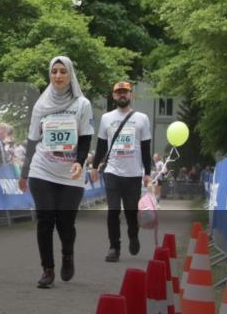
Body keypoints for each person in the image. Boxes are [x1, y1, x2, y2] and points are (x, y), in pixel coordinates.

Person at [19, 56, 94, 288]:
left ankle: (67, 255)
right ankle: (47, 269)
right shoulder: (41, 106)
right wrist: (24, 173)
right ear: (49, 75)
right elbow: (32, 141)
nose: (58, 76)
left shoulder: (82, 104)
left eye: (63, 71)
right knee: (45, 219)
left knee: (65, 223)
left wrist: (80, 163)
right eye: (54, 72)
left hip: (70, 173)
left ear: (70, 75)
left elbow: (85, 138)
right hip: (42, 169)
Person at [91, 80, 152, 262]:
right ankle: (114, 247)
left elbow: (146, 147)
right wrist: (95, 167)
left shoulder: (142, 118)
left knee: (131, 213)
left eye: (125, 92)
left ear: (131, 95)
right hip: (112, 172)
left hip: (133, 174)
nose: (122, 95)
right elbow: (101, 145)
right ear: (114, 96)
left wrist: (147, 172)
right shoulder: (106, 118)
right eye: (119, 92)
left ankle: (133, 236)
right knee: (113, 211)